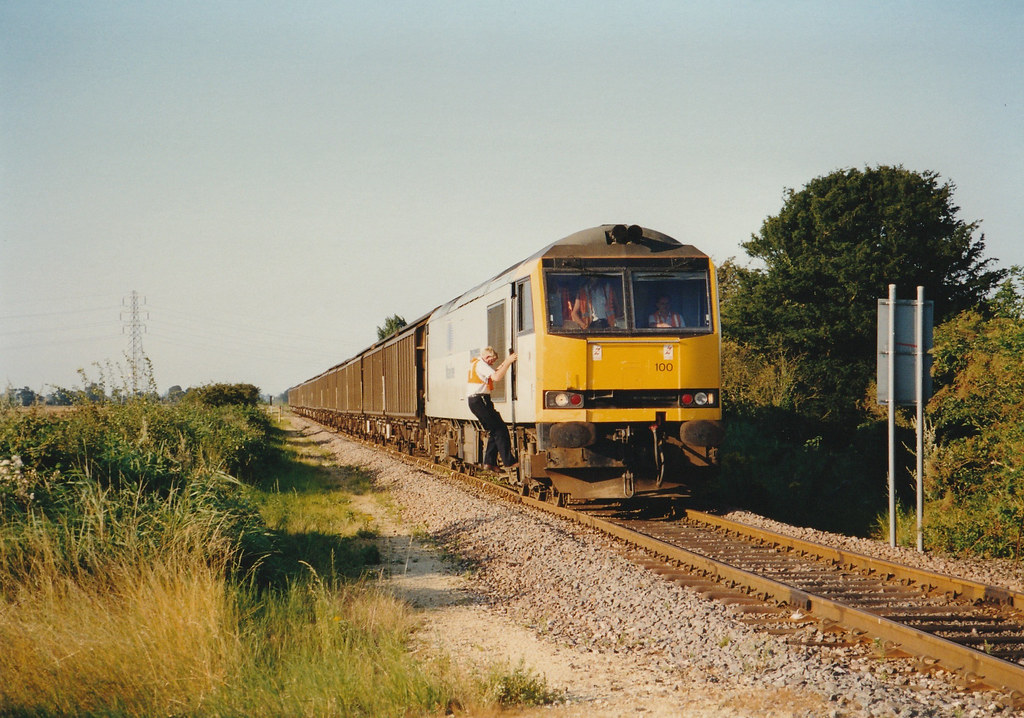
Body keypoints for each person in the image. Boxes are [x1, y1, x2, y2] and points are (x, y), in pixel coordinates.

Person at [467, 346, 519, 470]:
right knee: (499, 429)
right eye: (492, 360)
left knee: (494, 430)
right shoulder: (481, 364)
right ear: (487, 357)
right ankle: (509, 462)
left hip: (478, 401)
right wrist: (507, 362)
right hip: (480, 400)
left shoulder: (476, 363)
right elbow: (496, 377)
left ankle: (489, 463)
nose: (493, 362)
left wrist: (504, 363)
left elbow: (493, 372)